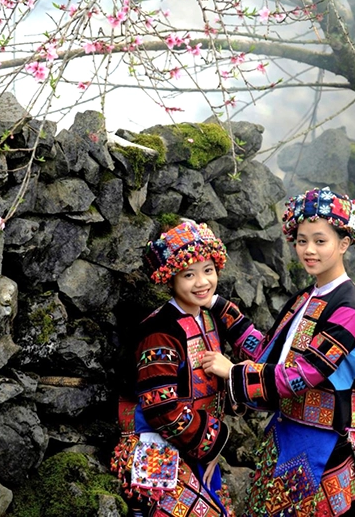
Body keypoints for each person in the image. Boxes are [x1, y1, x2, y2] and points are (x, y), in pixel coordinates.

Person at [201, 187, 355, 517]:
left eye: (320, 241)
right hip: (285, 435)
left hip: (324, 447)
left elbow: (302, 373)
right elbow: (269, 354)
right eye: (301, 240)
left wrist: (233, 372)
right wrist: (215, 303)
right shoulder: (306, 299)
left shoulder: (352, 309)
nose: (308, 250)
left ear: (344, 243)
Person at [111, 220, 238, 517]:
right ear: (170, 278)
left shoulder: (208, 319)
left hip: (194, 444)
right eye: (189, 275)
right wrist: (212, 442)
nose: (202, 282)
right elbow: (161, 408)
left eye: (208, 271)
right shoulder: (160, 331)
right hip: (157, 448)